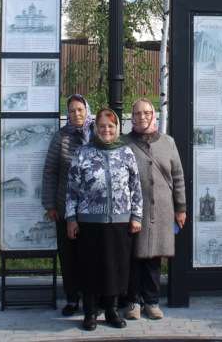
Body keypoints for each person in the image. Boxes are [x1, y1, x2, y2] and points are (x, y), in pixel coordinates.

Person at [66, 108, 143, 332]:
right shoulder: (83, 152)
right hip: (89, 222)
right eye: (102, 126)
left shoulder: (126, 152)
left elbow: (136, 187)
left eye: (110, 126)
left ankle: (111, 311)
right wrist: (71, 218)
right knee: (91, 268)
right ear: (95, 128)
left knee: (116, 268)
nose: (106, 130)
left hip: (120, 221)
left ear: (116, 128)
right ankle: (90, 313)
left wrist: (136, 215)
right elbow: (72, 189)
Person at [124, 99, 186, 321]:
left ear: (153, 115)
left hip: (161, 209)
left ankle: (151, 301)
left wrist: (180, 208)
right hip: (134, 211)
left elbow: (178, 177)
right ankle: (133, 302)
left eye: (147, 113)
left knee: (154, 259)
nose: (142, 117)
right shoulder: (125, 142)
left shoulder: (168, 142)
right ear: (132, 116)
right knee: (134, 257)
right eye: (138, 113)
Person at [41, 94, 94, 317]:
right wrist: (50, 204)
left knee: (91, 256)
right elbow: (51, 172)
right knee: (69, 256)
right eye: (72, 111)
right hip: (66, 209)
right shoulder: (61, 138)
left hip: (93, 210)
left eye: (80, 110)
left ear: (87, 110)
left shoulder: (97, 134)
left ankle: (93, 297)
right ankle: (72, 298)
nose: (77, 114)